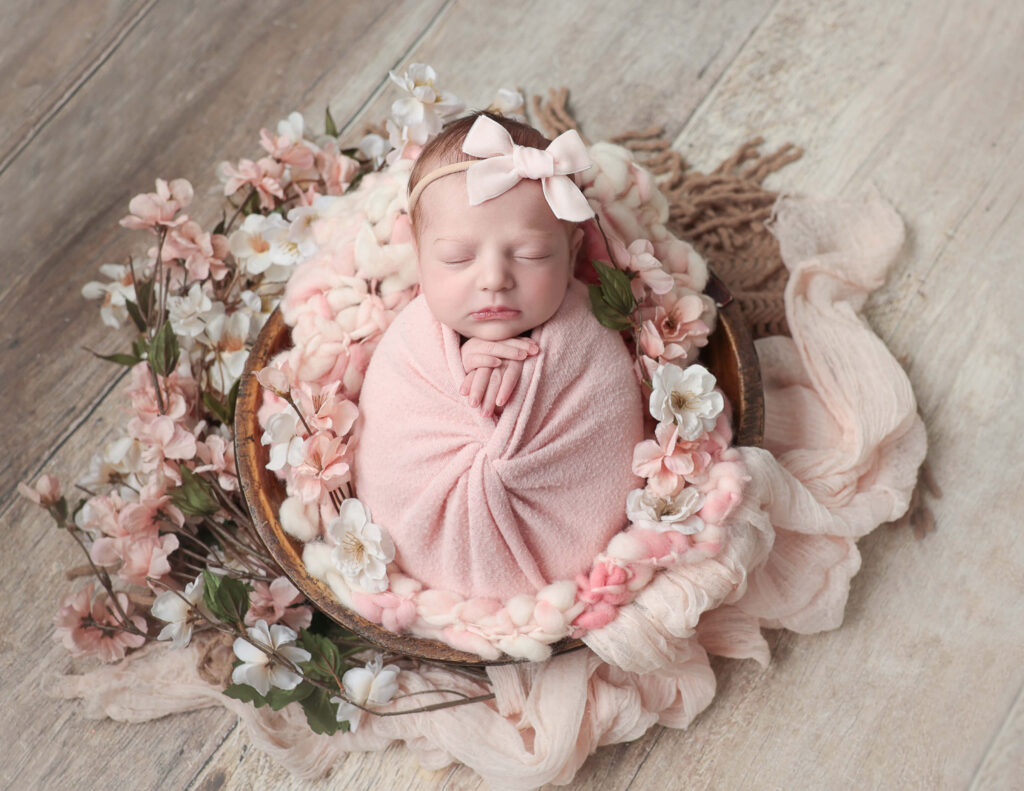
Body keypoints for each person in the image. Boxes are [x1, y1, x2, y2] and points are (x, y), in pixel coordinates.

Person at [351, 112, 644, 600]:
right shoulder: (409, 344)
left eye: (529, 254)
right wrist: (459, 373)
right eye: (457, 259)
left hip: (567, 534)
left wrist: (532, 378)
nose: (493, 278)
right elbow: (391, 432)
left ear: (573, 253)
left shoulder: (590, 333)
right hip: (416, 530)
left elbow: (610, 426)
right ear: (419, 258)